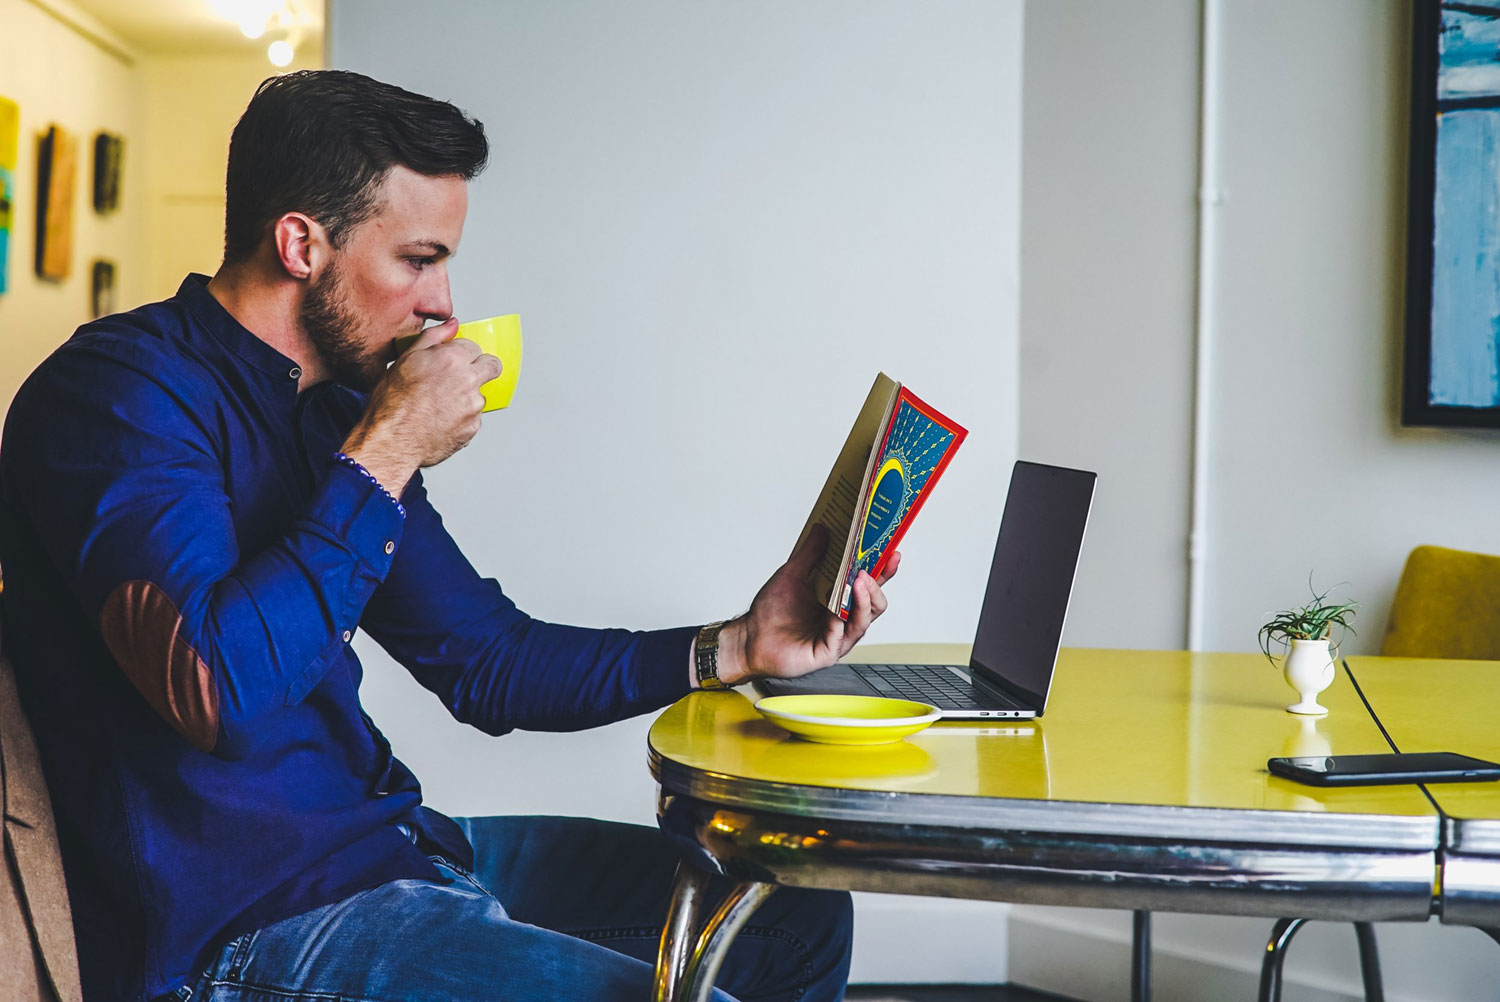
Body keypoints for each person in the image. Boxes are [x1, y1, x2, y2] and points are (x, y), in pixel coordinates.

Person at [0, 70, 898, 1002]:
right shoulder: (117, 397)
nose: (442, 305)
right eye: (418, 260)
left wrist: (741, 645)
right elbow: (217, 690)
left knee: (789, 914)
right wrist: (385, 453)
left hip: (393, 849)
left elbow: (487, 662)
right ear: (302, 243)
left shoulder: (335, 415)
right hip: (242, 924)